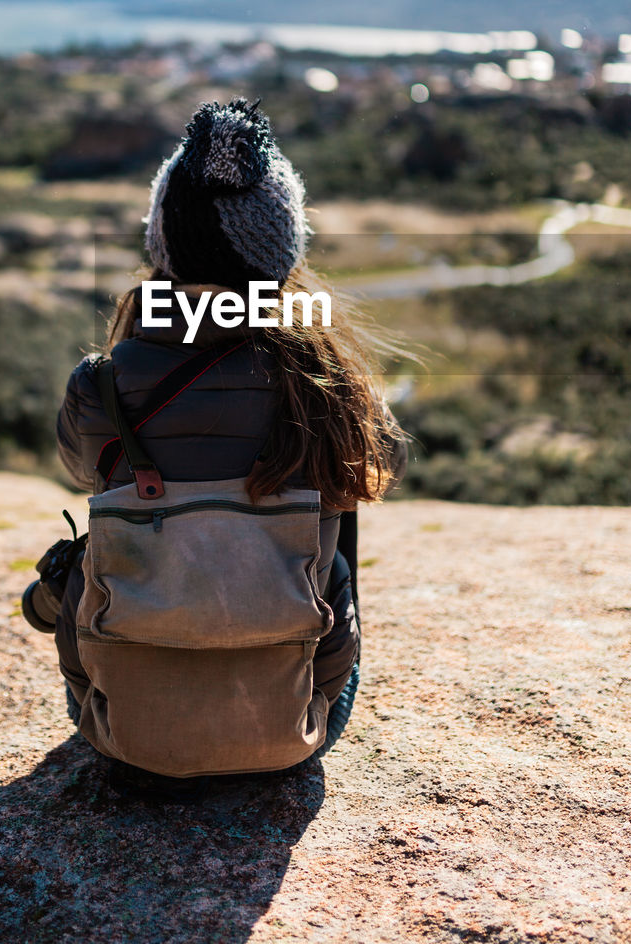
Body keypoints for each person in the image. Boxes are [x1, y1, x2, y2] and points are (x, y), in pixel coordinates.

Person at [33, 98, 406, 784]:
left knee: (108, 533)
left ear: (161, 245)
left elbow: (82, 471)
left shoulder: (104, 384)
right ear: (283, 249)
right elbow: (379, 467)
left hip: (121, 736)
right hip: (295, 733)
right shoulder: (322, 379)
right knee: (332, 521)